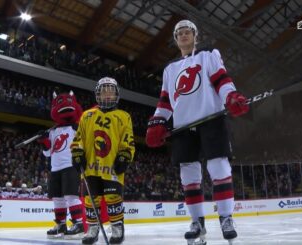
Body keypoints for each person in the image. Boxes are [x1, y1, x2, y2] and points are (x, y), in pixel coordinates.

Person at [145, 20, 249, 245]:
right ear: (175, 39)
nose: (183, 36)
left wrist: (231, 97)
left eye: (187, 32)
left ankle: (226, 218)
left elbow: (222, 80)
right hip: (183, 126)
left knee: (218, 166)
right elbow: (165, 101)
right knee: (188, 176)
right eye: (179, 33)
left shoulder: (208, 54)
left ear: (195, 35)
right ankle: (197, 222)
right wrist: (158, 121)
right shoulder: (170, 69)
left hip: (211, 119)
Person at [71, 77, 135, 244]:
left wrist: (125, 155)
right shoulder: (87, 115)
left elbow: (127, 140)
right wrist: (77, 153)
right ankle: (93, 228)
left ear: (116, 95)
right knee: (91, 198)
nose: (107, 95)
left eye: (111, 91)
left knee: (114, 197)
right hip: (90, 167)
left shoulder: (124, 116)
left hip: (111, 166)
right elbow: (79, 138)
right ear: (98, 94)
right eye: (104, 91)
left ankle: (117, 226)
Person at [38, 91, 85, 239]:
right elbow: (47, 153)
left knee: (71, 196)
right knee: (57, 198)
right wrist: (45, 141)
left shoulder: (76, 128)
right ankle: (61, 224)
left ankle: (78, 223)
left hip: (71, 166)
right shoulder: (52, 131)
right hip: (55, 168)